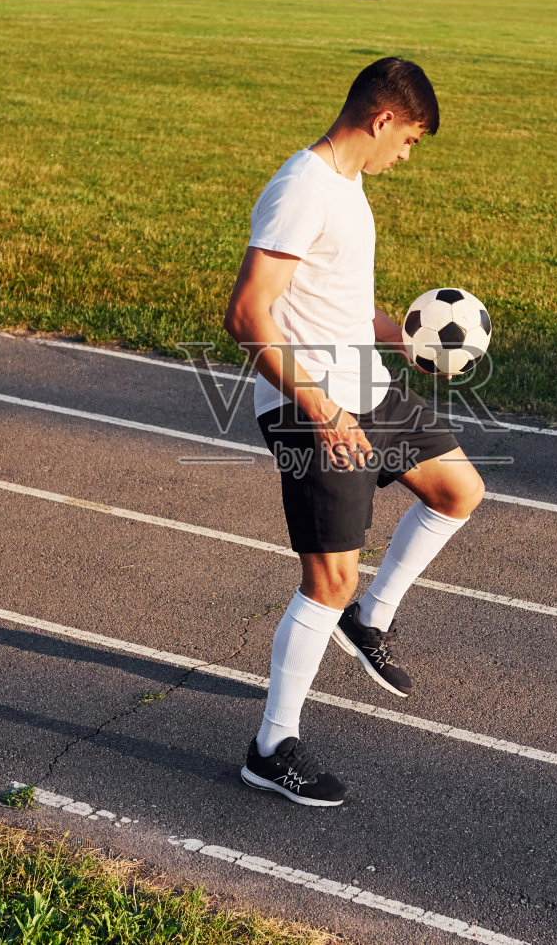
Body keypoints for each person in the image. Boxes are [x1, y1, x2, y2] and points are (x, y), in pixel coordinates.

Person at [223, 57, 486, 807]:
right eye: (408, 141)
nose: (407, 156)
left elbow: (334, 294)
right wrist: (322, 410)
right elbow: (248, 316)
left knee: (458, 489)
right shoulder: (300, 190)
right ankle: (272, 746)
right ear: (381, 121)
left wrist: (394, 334)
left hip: (366, 389)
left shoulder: (348, 183)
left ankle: (371, 619)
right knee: (326, 578)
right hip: (311, 410)